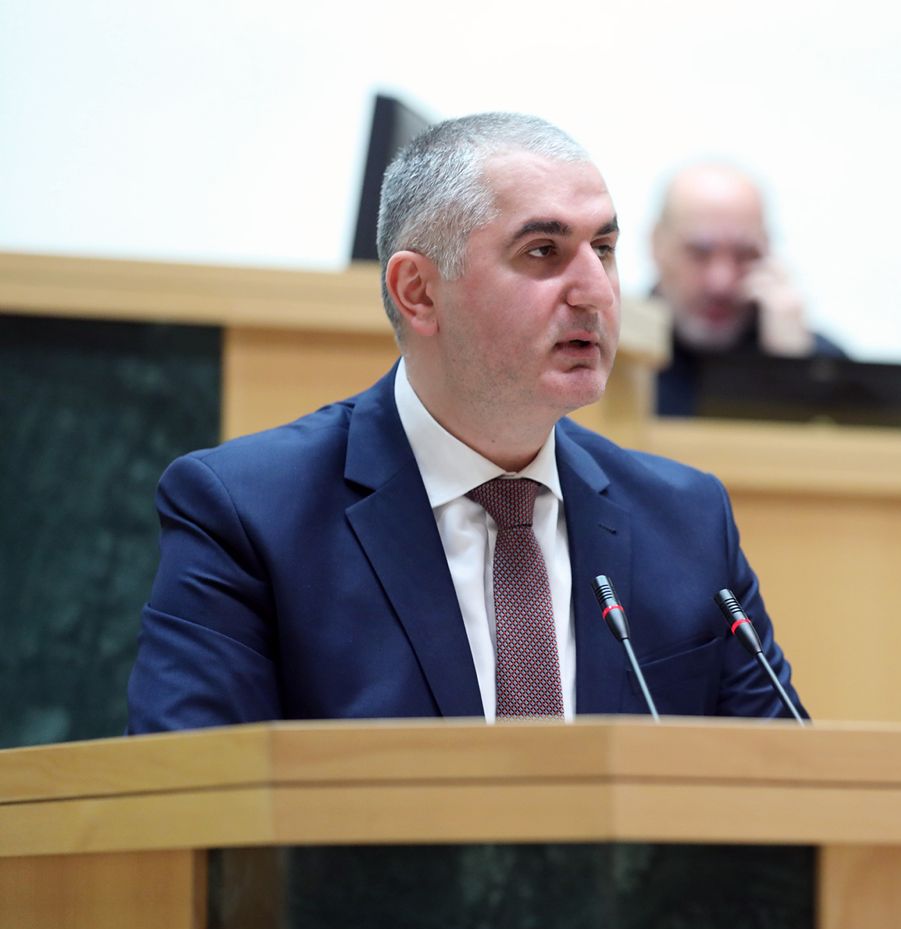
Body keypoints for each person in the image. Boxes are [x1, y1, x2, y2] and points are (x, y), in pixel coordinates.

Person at [126, 114, 804, 731]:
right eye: (542, 251)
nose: (596, 292)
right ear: (418, 292)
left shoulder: (686, 522)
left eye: (603, 248)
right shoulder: (251, 517)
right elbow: (189, 794)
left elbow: (786, 786)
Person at [648, 162, 845, 416]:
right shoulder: (611, 353)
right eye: (699, 253)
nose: (721, 283)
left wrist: (795, 368)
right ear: (656, 245)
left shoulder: (823, 363)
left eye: (744, 254)